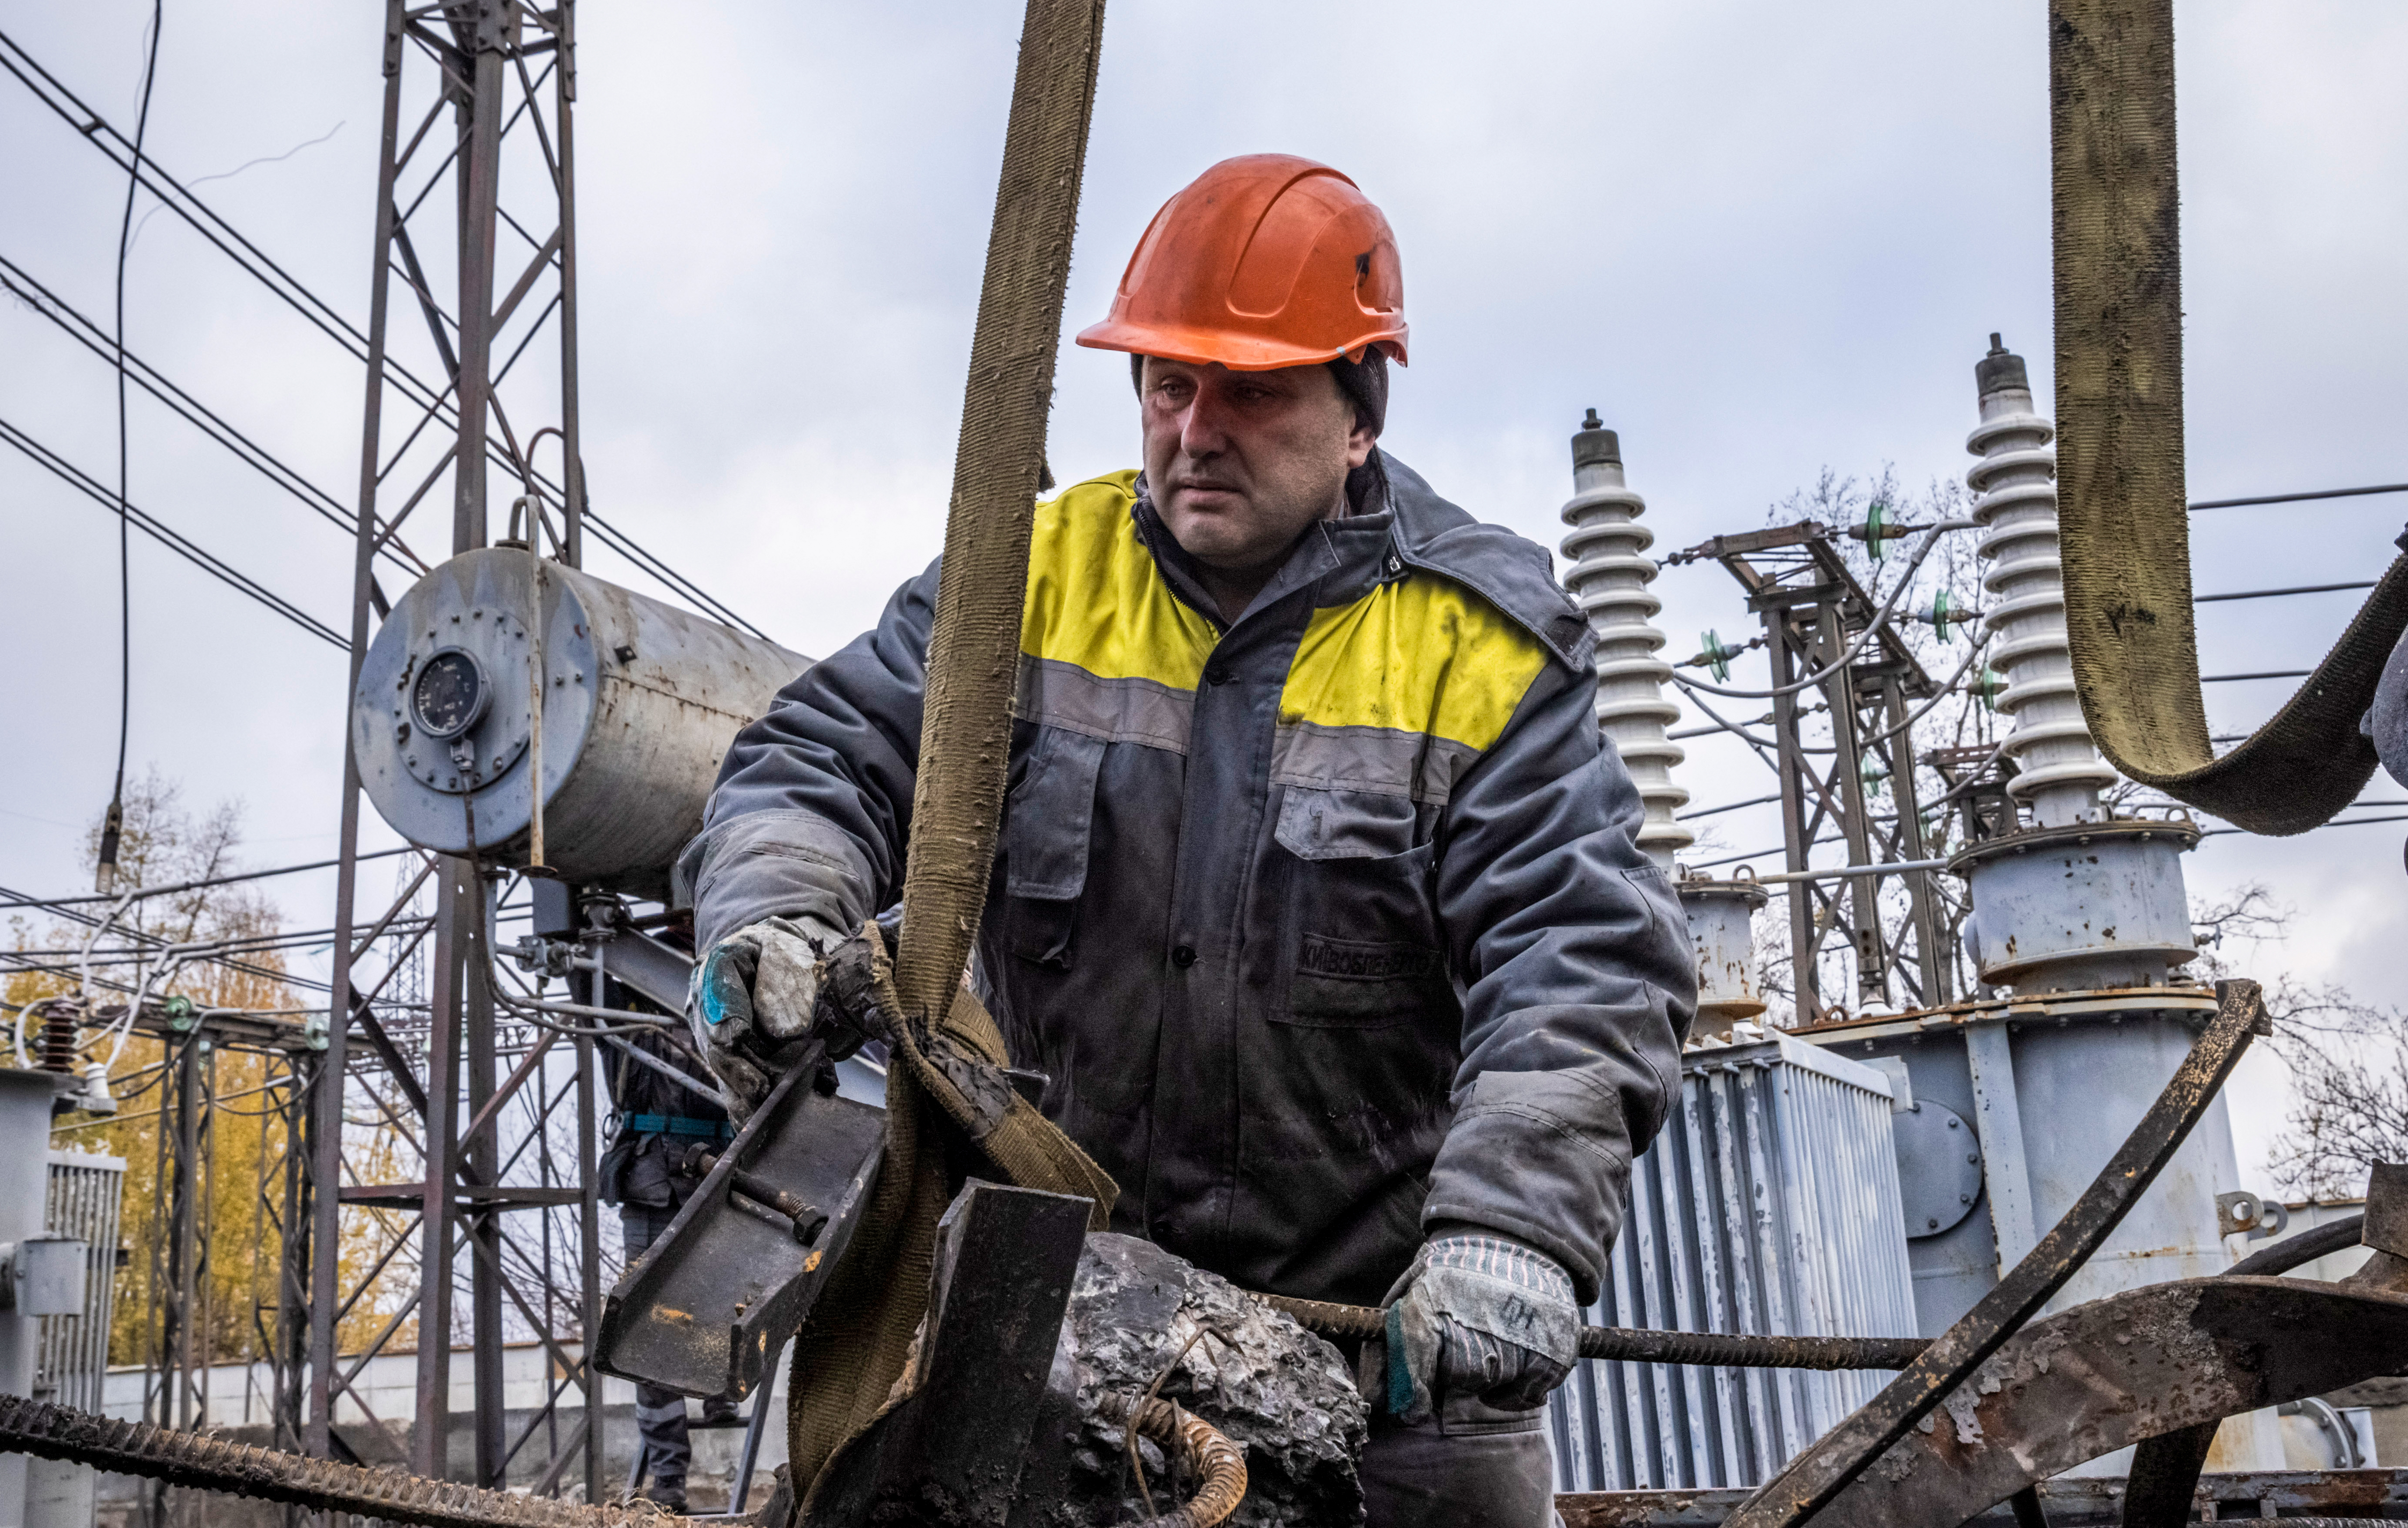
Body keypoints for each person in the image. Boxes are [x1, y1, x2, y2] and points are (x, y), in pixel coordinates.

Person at [677, 154, 1696, 1526]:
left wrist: (1515, 1227)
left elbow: (1579, 954)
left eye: (1253, 389)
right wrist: (776, 911)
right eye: (1168, 384)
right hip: (1055, 1328)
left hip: (1386, 1359)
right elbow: (823, 758)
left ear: (1357, 418)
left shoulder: (1478, 647)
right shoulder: (1027, 583)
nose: (1195, 429)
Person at [596, 977, 739, 1512]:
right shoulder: (631, 1007)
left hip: (714, 1177)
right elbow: (589, 988)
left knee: (727, 1300)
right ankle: (669, 1477)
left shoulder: (726, 987)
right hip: (653, 1177)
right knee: (646, 1326)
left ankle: (721, 1389)